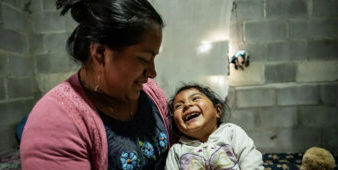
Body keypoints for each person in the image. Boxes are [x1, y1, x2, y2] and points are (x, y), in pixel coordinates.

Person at [20, 0, 171, 169]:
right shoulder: (53, 124)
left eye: (153, 58)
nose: (152, 72)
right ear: (100, 53)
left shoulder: (151, 92)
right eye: (144, 59)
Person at [165, 84, 264, 170]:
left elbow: (252, 162)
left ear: (217, 111)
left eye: (195, 98)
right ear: (176, 125)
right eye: (178, 106)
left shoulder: (232, 133)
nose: (187, 105)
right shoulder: (176, 151)